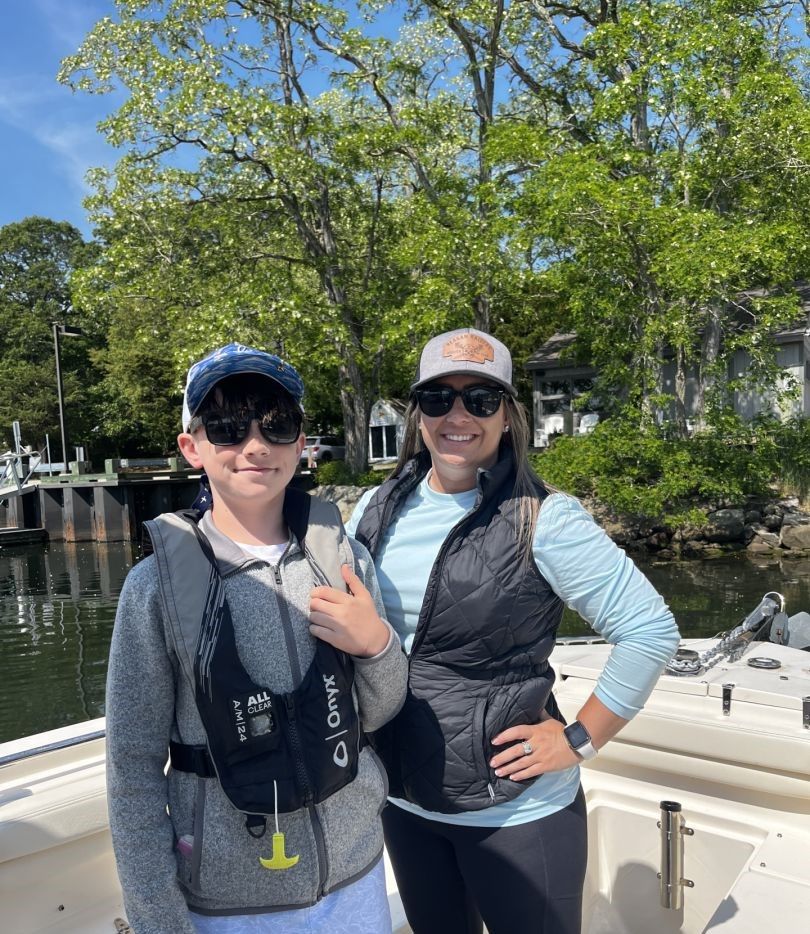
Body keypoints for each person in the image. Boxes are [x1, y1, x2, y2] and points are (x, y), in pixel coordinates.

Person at [346, 327, 680, 934]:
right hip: (404, 799)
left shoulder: (544, 518)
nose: (458, 416)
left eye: (480, 400)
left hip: (518, 811)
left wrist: (578, 740)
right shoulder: (376, 509)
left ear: (506, 416)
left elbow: (649, 629)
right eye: (438, 398)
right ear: (417, 413)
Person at [105, 342, 407, 934]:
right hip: (227, 905)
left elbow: (380, 708)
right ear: (191, 448)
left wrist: (377, 646)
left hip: (355, 877)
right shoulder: (154, 589)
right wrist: (160, 921)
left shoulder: (345, 559)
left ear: (302, 444)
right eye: (225, 426)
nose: (254, 443)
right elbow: (132, 768)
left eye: (277, 424)